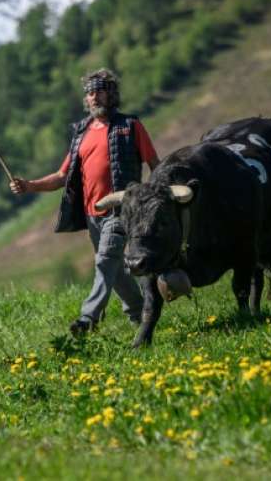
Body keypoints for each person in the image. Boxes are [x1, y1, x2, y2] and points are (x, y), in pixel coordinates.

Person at [9, 68, 159, 336]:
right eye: (90, 92)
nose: (94, 97)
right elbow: (61, 176)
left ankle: (87, 319)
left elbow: (155, 166)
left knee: (104, 260)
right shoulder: (81, 133)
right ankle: (140, 314)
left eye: (99, 90)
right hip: (93, 216)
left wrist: (156, 199)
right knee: (115, 270)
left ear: (111, 94)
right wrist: (29, 186)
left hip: (121, 210)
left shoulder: (130, 126)